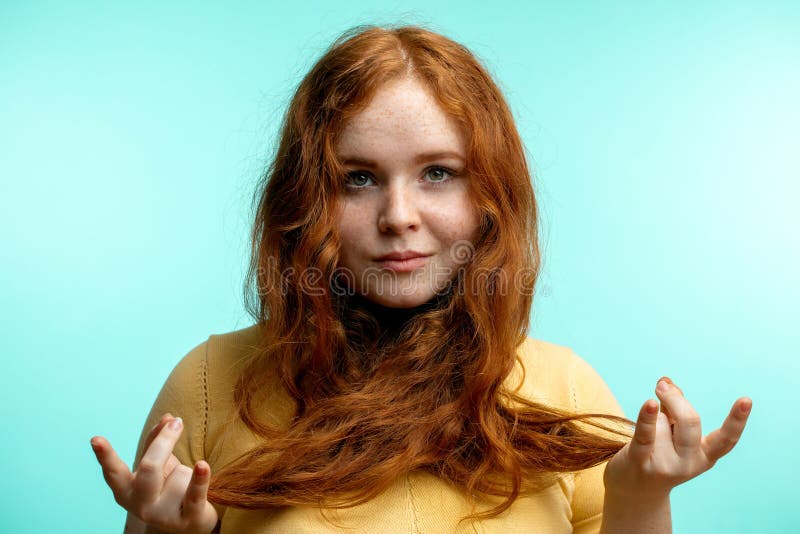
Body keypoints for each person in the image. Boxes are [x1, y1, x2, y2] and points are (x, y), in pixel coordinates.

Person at [90, 25, 752, 533]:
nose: (397, 217)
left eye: (438, 172)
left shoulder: (567, 387)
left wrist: (641, 498)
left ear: (489, 195)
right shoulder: (208, 384)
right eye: (359, 178)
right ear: (306, 201)